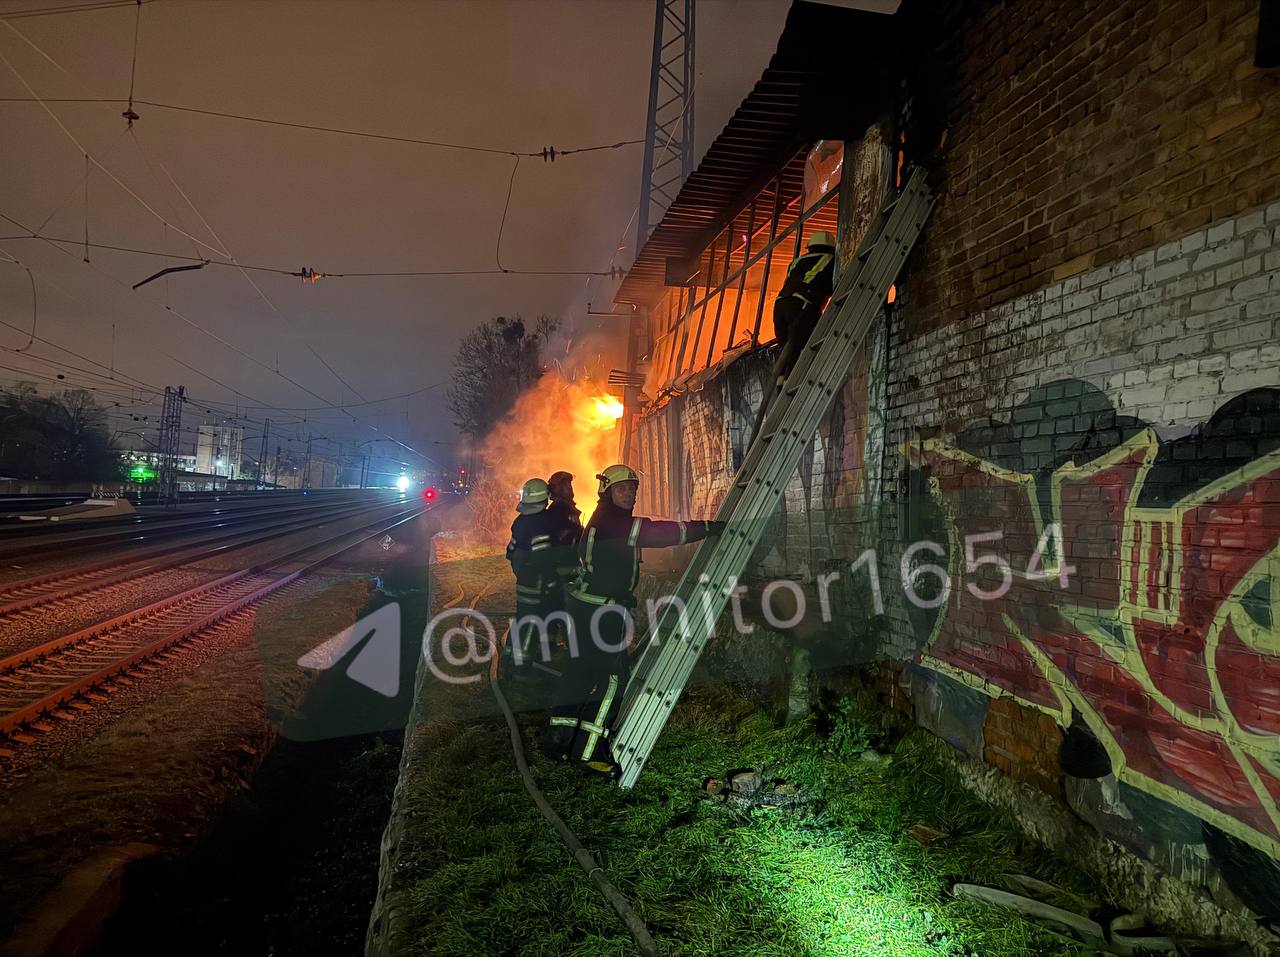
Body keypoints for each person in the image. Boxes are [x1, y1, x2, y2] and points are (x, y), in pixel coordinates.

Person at [544, 464, 725, 775]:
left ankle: (558, 742)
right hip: (603, 611)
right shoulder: (615, 523)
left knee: (579, 673)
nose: (630, 493)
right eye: (622, 488)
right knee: (613, 679)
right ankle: (590, 753)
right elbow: (662, 533)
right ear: (607, 491)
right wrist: (705, 528)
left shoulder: (602, 517)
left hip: (583, 605)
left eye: (633, 488)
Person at [748, 230, 837, 446]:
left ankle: (781, 391)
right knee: (801, 349)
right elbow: (834, 285)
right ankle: (794, 396)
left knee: (786, 351)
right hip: (802, 306)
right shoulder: (832, 259)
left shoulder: (797, 261)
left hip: (780, 306)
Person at [505, 478, 561, 668]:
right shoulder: (542, 523)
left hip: (524, 578)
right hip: (537, 581)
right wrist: (552, 581)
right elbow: (543, 557)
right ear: (546, 499)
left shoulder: (520, 521)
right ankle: (522, 668)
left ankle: (508, 657)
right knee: (531, 622)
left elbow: (511, 551)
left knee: (523, 617)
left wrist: (520, 571)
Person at [545, 470, 583, 592]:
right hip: (563, 570)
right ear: (557, 489)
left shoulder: (567, 509)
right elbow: (559, 541)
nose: (570, 489)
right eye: (567, 485)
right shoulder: (558, 511)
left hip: (571, 567)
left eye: (570, 485)